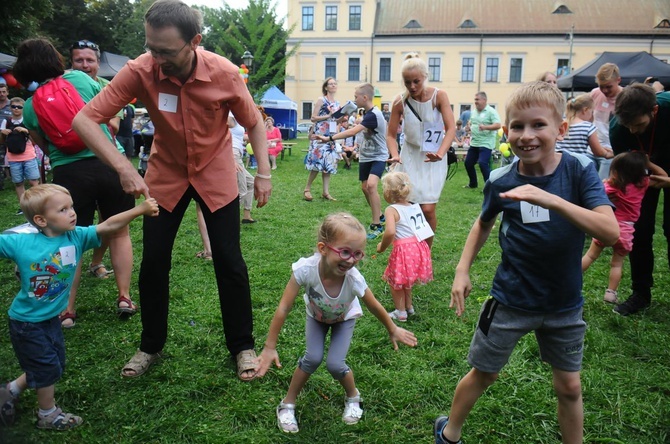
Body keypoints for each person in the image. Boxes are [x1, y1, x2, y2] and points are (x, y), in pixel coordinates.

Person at [71, 0, 271, 380]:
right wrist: (124, 168)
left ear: (194, 41)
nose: (155, 57)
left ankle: (243, 346)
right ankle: (150, 345)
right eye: (150, 47)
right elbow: (85, 119)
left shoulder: (226, 73)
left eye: (165, 50)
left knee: (229, 262)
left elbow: (255, 123)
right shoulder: (140, 70)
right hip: (165, 177)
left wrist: (264, 173)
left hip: (215, 175)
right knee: (154, 263)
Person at [434, 81, 619, 444]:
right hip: (511, 299)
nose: (526, 135)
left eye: (538, 125)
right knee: (484, 372)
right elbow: (483, 223)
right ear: (506, 131)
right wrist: (462, 269)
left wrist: (552, 200)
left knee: (569, 386)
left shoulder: (579, 170)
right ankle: (449, 433)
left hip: (564, 303)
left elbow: (610, 231)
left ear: (561, 130)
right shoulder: (502, 179)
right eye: (517, 126)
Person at [0, 184, 158, 430]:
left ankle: (10, 390)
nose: (72, 212)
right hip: (26, 323)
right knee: (47, 366)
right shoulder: (21, 243)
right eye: (63, 209)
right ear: (41, 220)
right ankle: (48, 414)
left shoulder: (77, 236)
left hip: (51, 318)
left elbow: (108, 226)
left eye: (71, 206)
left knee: (54, 364)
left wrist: (139, 210)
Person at [13, 38, 138, 328]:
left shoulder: (31, 105)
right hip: (109, 164)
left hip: (69, 174)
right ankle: (124, 296)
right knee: (119, 233)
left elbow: (42, 144)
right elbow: (110, 113)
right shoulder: (82, 79)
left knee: (69, 240)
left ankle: (67, 309)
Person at [253, 212, 418, 433]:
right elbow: (284, 307)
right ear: (323, 248)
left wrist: (393, 328)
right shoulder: (305, 270)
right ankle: (287, 404)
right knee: (312, 358)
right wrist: (269, 346)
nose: (351, 260)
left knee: (335, 364)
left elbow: (373, 305)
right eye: (345, 252)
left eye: (358, 254)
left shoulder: (353, 278)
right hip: (317, 318)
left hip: (344, 320)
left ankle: (354, 397)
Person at [609, 84, 670, 316]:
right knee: (640, 230)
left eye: (639, 125)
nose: (633, 131)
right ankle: (640, 293)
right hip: (642, 173)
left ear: (654, 111)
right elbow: (626, 166)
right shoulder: (619, 129)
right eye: (629, 126)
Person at [386, 53, 456, 247]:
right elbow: (391, 134)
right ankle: (414, 248)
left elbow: (451, 128)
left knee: (428, 209)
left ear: (425, 76)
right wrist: (394, 155)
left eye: (416, 81)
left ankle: (425, 251)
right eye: (408, 82)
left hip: (433, 157)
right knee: (411, 207)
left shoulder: (438, 96)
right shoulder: (400, 102)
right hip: (410, 157)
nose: (412, 87)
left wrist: (441, 153)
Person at [582, 152, 667, 304]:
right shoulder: (642, 183)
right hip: (626, 231)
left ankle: (571, 278)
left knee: (590, 256)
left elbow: (595, 194)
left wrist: (603, 184)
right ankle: (610, 292)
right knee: (616, 264)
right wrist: (648, 164)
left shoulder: (610, 186)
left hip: (608, 227)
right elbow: (663, 175)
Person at [316, 83, 389, 240]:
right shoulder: (367, 114)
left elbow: (353, 131)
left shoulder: (374, 115)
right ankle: (381, 216)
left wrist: (329, 138)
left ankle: (376, 225)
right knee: (365, 187)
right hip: (366, 156)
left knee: (371, 186)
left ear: (365, 97)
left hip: (378, 156)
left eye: (356, 96)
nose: (354, 99)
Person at [376, 171, 433, 321]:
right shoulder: (414, 206)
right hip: (419, 247)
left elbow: (390, 232)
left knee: (396, 282)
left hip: (404, 250)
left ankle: (400, 312)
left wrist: (382, 246)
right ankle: (409, 307)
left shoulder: (391, 210)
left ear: (388, 192)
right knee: (406, 280)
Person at [303, 77, 342, 202]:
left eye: (335, 84)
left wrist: (341, 119)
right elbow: (313, 118)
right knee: (316, 162)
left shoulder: (337, 104)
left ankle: (326, 192)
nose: (333, 85)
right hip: (319, 135)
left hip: (330, 136)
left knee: (328, 164)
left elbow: (336, 120)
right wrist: (328, 116)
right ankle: (307, 189)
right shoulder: (321, 100)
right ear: (326, 87)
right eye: (331, 84)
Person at [0, 98, 40, 214]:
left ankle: (37, 204)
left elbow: (35, 141)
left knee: (33, 182)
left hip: (29, 156)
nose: (16, 109)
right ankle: (24, 207)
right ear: (10, 107)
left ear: (23, 108)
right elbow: (1, 142)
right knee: (18, 183)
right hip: (13, 157)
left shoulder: (26, 121)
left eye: (19, 107)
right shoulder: (6, 122)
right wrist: (3, 133)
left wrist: (26, 131)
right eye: (13, 106)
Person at [555, 94, 614, 161]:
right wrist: (607, 153)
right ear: (585, 110)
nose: (592, 115)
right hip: (576, 164)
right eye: (592, 112)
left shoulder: (561, 123)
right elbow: (598, 152)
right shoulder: (588, 127)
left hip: (558, 162)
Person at [590, 63, 623, 180]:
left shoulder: (626, 97)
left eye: (608, 86)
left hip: (611, 151)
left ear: (618, 80)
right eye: (601, 86)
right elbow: (589, 118)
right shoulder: (595, 93)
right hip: (592, 148)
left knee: (602, 185)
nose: (604, 90)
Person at [463, 91, 501, 189]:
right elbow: (471, 123)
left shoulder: (491, 111)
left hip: (486, 143)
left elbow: (498, 125)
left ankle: (489, 186)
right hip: (475, 142)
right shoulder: (474, 112)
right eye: (475, 100)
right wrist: (468, 128)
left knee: (483, 163)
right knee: (468, 163)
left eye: (477, 100)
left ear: (484, 100)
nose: (475, 102)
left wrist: (485, 127)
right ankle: (473, 184)